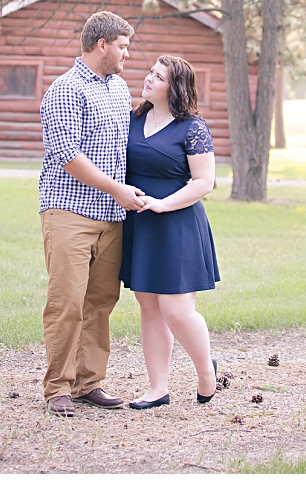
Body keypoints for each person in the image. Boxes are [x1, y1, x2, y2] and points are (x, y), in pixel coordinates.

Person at [38, 11, 146, 417]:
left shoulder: (119, 88)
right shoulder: (65, 90)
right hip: (68, 211)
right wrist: (117, 189)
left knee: (100, 302)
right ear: (102, 45)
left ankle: (88, 383)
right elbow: (68, 155)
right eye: (123, 47)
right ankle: (58, 388)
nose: (127, 55)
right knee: (67, 302)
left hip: (111, 218)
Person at [120, 55, 220, 409]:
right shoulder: (134, 117)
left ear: (173, 87)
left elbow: (205, 181)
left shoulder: (191, 127)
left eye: (158, 76)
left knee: (176, 310)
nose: (148, 79)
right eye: (150, 72)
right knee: (149, 308)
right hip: (141, 224)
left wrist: (163, 204)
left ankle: (207, 372)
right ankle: (157, 388)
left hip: (176, 223)